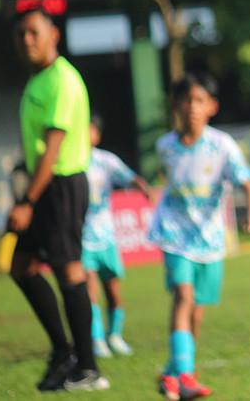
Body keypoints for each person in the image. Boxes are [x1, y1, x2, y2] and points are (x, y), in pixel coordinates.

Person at [6, 8, 110, 391]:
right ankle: (63, 351)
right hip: (43, 187)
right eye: (21, 34)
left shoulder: (62, 81)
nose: (26, 40)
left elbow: (53, 150)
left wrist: (27, 201)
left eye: (33, 32)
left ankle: (88, 367)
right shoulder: (38, 80)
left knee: (69, 270)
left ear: (54, 35)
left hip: (61, 186)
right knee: (21, 265)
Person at [147, 72, 250, 400]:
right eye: (186, 100)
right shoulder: (164, 147)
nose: (192, 107)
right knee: (183, 298)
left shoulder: (222, 146)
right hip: (173, 235)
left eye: (200, 100)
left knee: (197, 310)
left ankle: (172, 375)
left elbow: (247, 182)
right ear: (175, 104)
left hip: (210, 240)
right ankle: (186, 375)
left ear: (212, 106)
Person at [83, 112, 154, 358]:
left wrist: (144, 187)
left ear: (97, 135)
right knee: (89, 289)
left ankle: (115, 335)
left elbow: (129, 176)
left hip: (106, 237)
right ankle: (97, 340)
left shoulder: (106, 161)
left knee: (113, 290)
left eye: (88, 129)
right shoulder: (70, 162)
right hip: (82, 239)